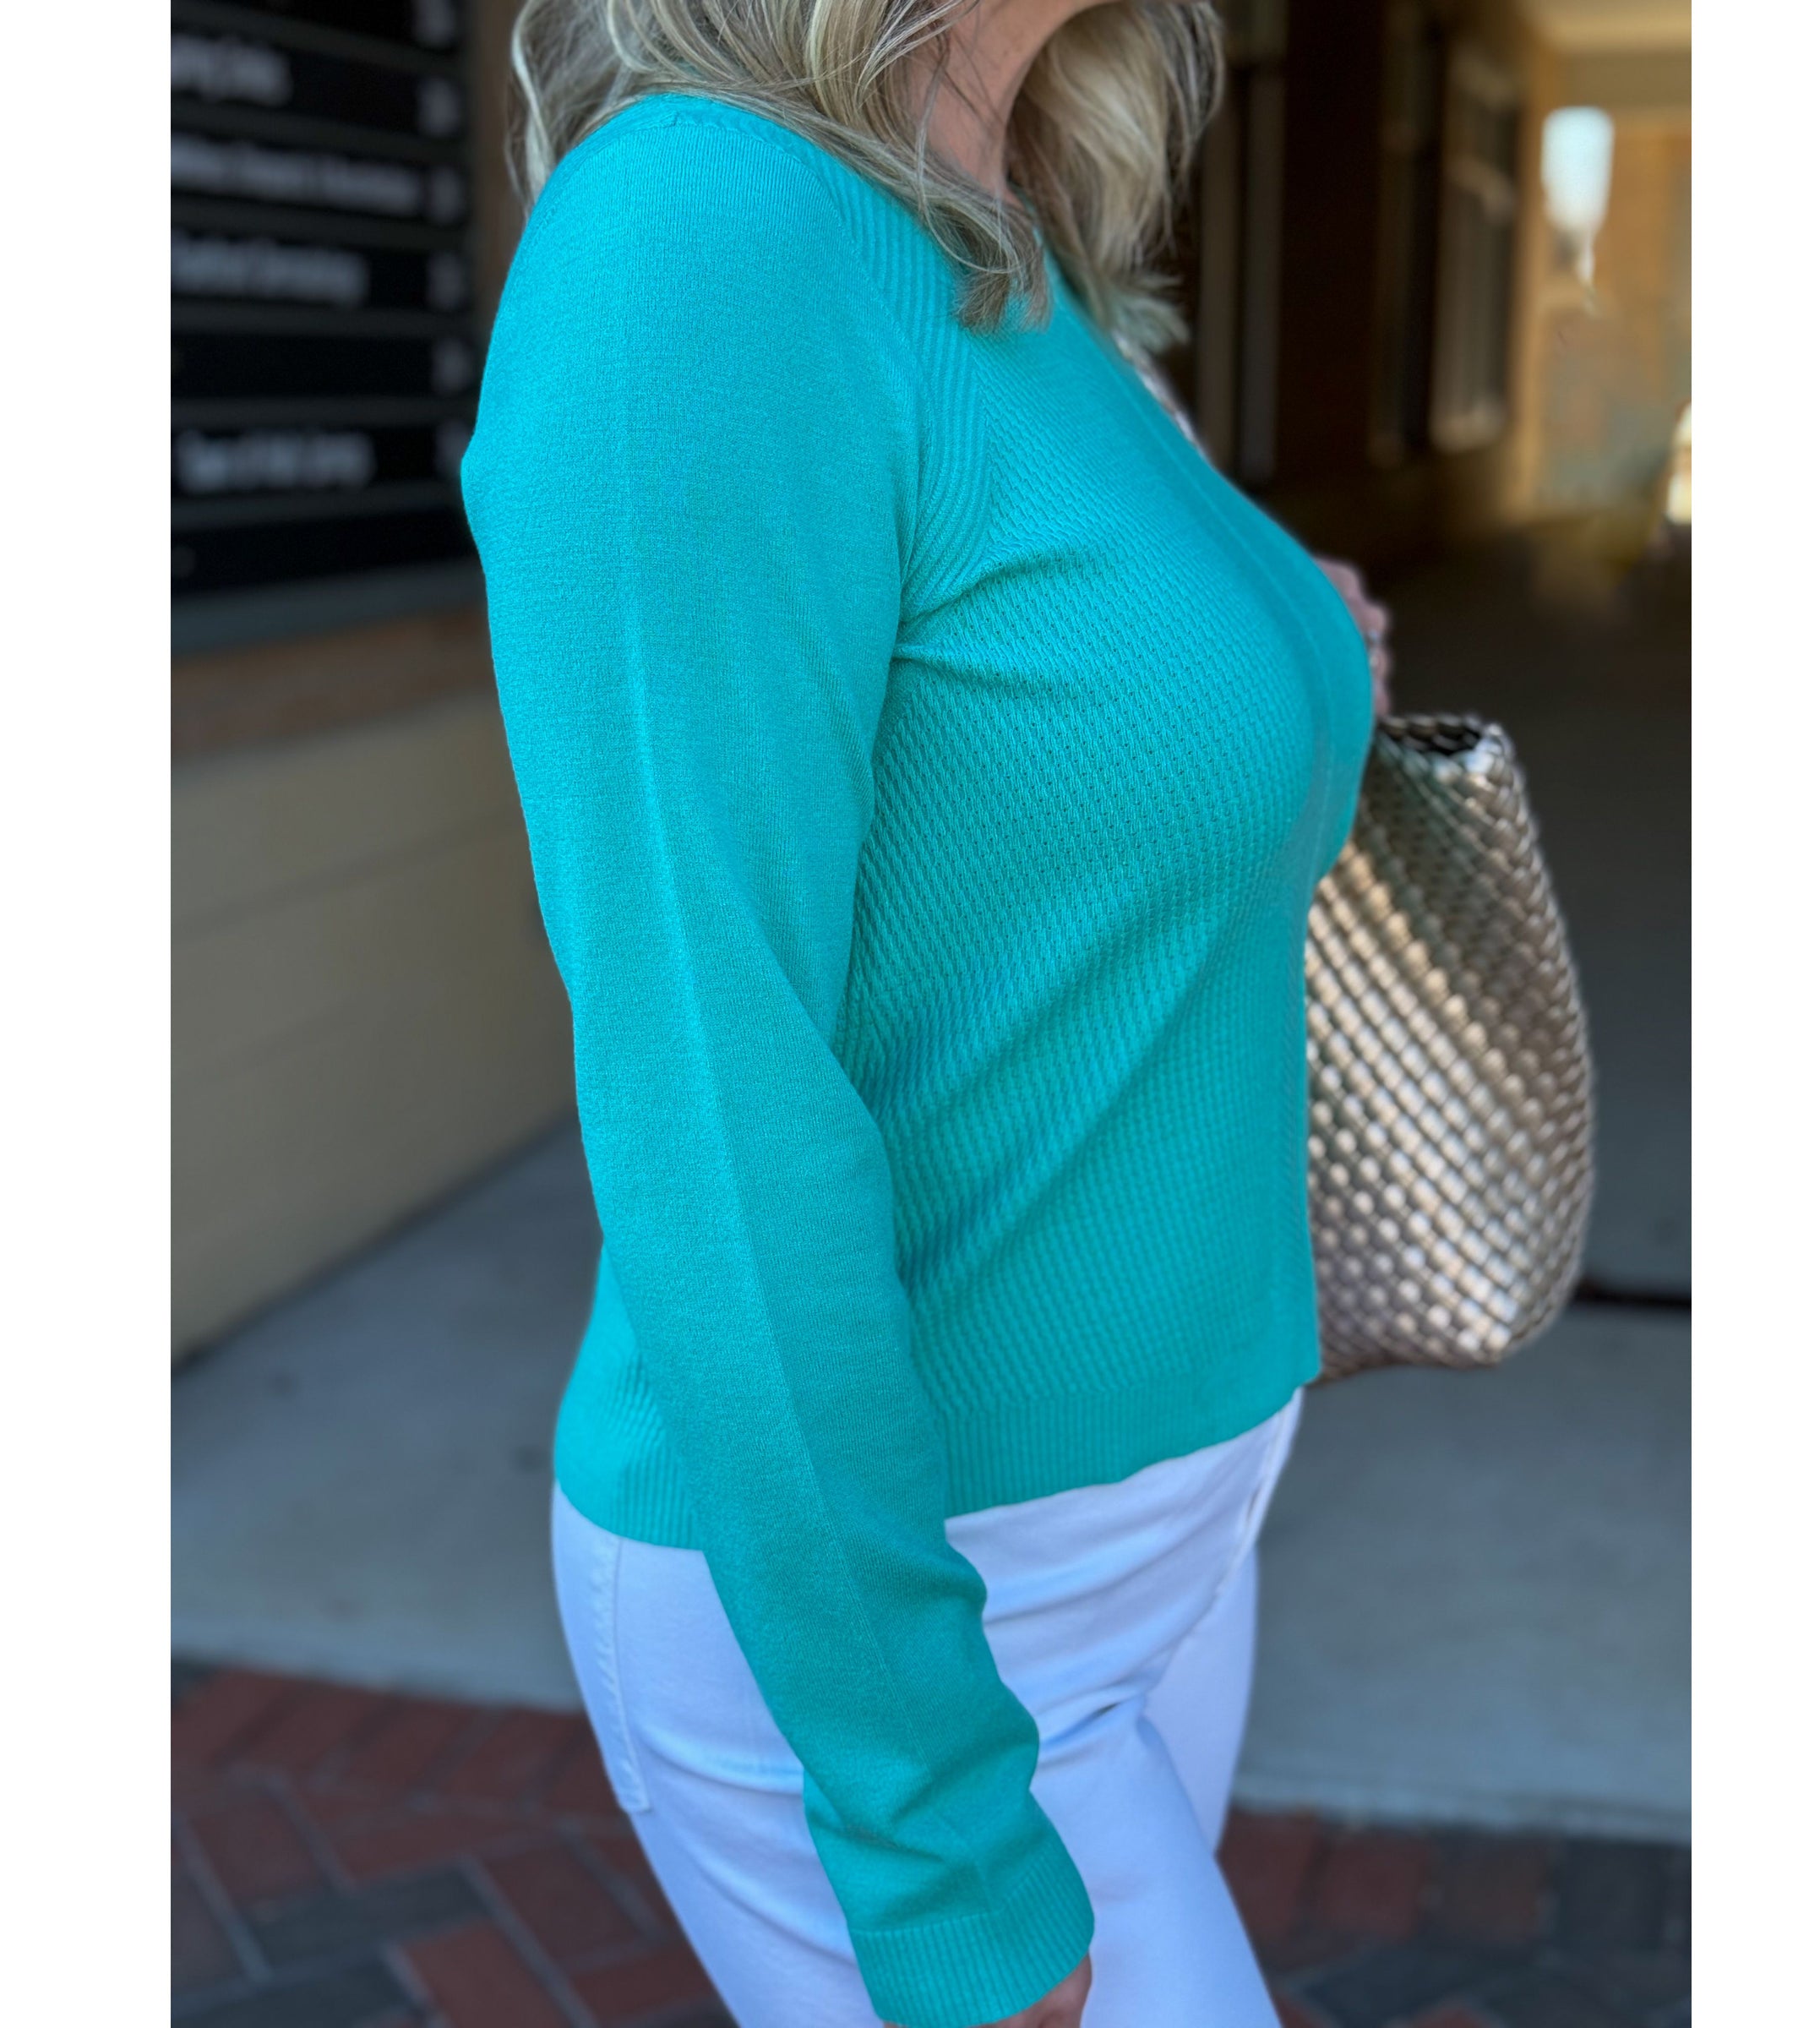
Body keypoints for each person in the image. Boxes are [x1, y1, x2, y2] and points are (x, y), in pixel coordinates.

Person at [462, 0, 1391, 2017]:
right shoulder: (697, 240)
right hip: (928, 1610)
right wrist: (933, 1838)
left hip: (1176, 1529)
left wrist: (1292, 651)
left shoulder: (1016, 236)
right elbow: (711, 1094)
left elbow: (1096, 746)